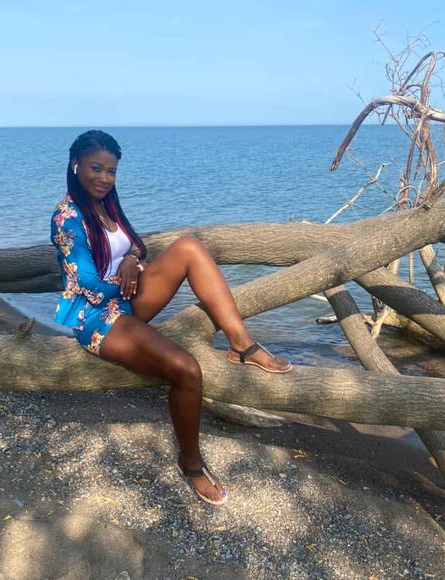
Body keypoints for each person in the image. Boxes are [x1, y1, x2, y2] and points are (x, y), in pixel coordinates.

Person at [51, 130, 292, 506]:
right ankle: (190, 462)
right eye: (96, 168)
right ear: (75, 164)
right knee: (187, 369)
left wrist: (132, 260)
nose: (104, 178)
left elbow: (136, 244)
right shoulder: (66, 218)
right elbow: (89, 286)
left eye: (111, 171)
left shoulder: (106, 203)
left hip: (125, 299)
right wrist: (130, 277)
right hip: (96, 318)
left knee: (190, 247)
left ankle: (241, 345)